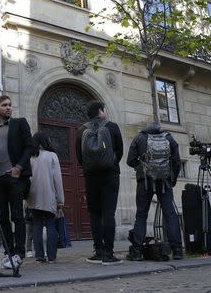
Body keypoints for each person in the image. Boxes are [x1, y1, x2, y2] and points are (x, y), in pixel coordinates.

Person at [0, 95, 34, 269]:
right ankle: (9, 253)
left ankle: (19, 254)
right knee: (2, 217)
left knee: (17, 216)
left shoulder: (20, 123)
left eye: (9, 105)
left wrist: (19, 167)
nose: (8, 107)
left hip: (15, 177)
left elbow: (30, 146)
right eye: (4, 105)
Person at [126, 122, 183, 261]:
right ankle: (177, 251)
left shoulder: (139, 138)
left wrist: (142, 166)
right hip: (165, 180)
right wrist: (172, 179)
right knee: (170, 214)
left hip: (144, 181)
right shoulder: (169, 138)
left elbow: (130, 160)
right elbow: (176, 162)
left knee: (141, 215)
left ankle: (137, 252)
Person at [75, 101, 123, 265]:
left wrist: (90, 168)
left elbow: (79, 156)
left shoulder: (81, 130)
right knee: (109, 213)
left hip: (90, 177)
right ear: (101, 111)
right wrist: (111, 164)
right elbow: (120, 150)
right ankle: (109, 254)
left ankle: (98, 252)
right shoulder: (112, 127)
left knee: (95, 214)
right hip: (110, 175)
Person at [26, 132, 65, 264]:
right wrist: (60, 200)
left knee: (36, 226)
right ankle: (52, 256)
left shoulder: (30, 157)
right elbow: (57, 179)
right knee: (50, 225)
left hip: (33, 196)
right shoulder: (52, 156)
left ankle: (39, 256)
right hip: (49, 196)